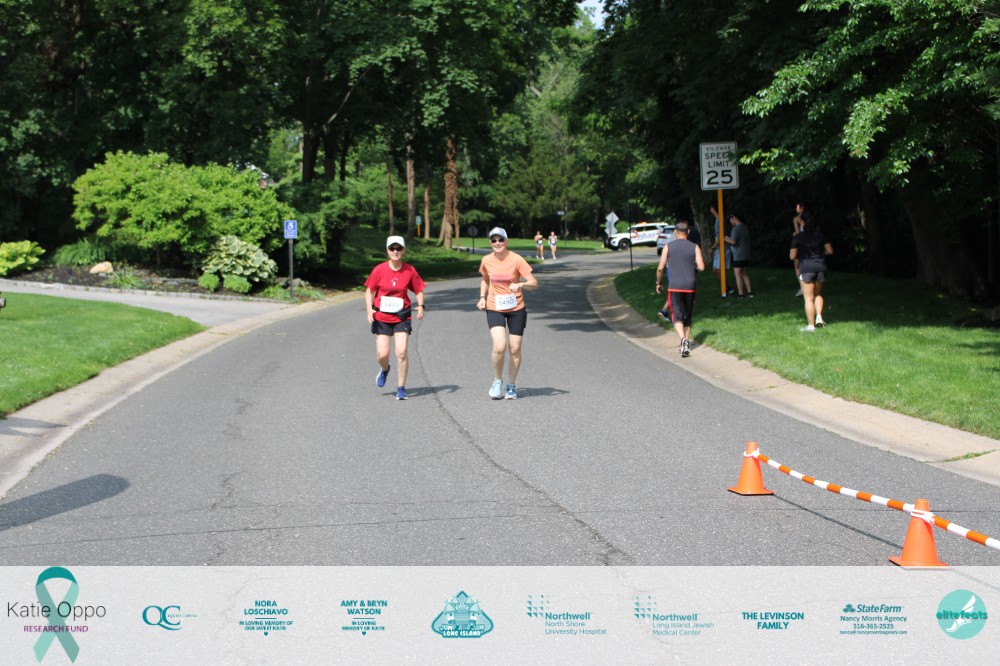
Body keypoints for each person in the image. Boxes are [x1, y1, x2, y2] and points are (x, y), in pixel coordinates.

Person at [477, 227, 538, 399]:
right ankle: (497, 380)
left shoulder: (516, 259)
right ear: (490, 243)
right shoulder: (486, 260)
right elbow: (485, 279)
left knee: (515, 348)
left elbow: (534, 283)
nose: (497, 243)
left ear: (506, 241)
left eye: (500, 240)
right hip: (494, 306)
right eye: (494, 240)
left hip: (516, 308)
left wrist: (521, 284)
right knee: (499, 346)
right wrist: (482, 297)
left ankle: (511, 385)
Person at [364, 235, 426, 399]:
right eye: (392, 248)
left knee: (402, 352)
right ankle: (385, 369)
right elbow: (369, 291)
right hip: (382, 317)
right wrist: (369, 310)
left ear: (403, 250)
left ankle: (401, 388)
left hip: (401, 316)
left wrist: (421, 305)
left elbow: (418, 290)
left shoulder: (409, 270)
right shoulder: (379, 270)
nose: (395, 251)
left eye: (399, 248)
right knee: (382, 355)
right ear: (387, 250)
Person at [655, 221, 705, 357]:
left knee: (677, 316)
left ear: (675, 232)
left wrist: (658, 282)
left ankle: (683, 340)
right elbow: (701, 267)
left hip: (675, 286)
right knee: (688, 316)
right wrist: (692, 266)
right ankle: (686, 344)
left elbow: (660, 268)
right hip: (690, 286)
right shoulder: (695, 247)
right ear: (688, 232)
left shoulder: (668, 247)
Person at [789, 211, 833, 332]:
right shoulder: (821, 235)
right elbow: (830, 251)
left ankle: (810, 325)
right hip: (821, 267)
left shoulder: (797, 238)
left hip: (806, 268)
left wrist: (801, 254)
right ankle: (819, 317)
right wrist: (820, 254)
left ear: (802, 222)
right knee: (818, 294)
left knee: (808, 298)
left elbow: (792, 256)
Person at [725, 212, 753, 297]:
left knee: (738, 275)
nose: (730, 222)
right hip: (746, 254)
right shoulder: (745, 227)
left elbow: (734, 242)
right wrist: (728, 238)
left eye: (730, 220)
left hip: (738, 255)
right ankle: (750, 292)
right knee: (744, 273)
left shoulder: (736, 229)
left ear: (734, 218)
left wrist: (724, 239)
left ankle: (741, 294)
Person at [709, 206, 734, 295]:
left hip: (723, 249)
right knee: (716, 269)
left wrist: (712, 248)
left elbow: (720, 238)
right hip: (722, 249)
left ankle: (726, 288)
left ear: (714, 209)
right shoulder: (720, 220)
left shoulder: (720, 221)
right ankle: (727, 287)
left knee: (719, 269)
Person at [792, 202, 807, 296]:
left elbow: (798, 233)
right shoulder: (812, 217)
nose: (796, 208)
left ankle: (802, 286)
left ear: (801, 208)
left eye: (797, 207)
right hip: (813, 241)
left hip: (802, 243)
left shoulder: (797, 218)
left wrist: (794, 234)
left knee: (797, 265)